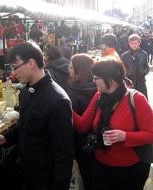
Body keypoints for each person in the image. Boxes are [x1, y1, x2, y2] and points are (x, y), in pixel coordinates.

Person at [0, 42, 74, 190]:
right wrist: (7, 137)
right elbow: (25, 124)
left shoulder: (58, 100)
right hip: (25, 172)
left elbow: (64, 153)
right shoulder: (26, 92)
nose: (14, 73)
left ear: (31, 63)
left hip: (44, 179)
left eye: (15, 67)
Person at [73, 58, 153, 190]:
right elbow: (83, 125)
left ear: (110, 79)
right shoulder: (99, 96)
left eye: (96, 77)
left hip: (130, 170)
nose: (93, 81)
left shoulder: (137, 99)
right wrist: (64, 106)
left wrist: (125, 136)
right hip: (101, 166)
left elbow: (150, 135)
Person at [67, 53, 97, 190]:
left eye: (72, 68)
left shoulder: (74, 92)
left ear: (80, 71)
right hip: (97, 142)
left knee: (86, 178)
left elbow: (75, 124)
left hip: (81, 144)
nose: (69, 70)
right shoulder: (98, 87)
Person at [121, 34, 149, 98]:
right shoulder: (124, 56)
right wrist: (128, 72)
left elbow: (146, 66)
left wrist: (143, 72)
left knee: (142, 99)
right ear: (129, 43)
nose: (134, 45)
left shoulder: (144, 54)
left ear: (139, 43)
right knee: (130, 100)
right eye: (132, 43)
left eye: (136, 43)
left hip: (141, 81)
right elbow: (122, 68)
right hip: (129, 81)